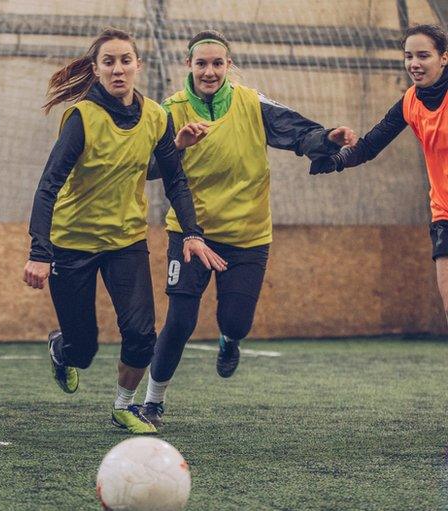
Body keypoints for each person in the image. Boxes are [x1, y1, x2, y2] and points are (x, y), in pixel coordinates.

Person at [138, 30, 357, 429]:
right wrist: (179, 144)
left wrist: (327, 138)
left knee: (236, 321)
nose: (209, 71)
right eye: (201, 63)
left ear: (228, 66)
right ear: (188, 65)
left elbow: (296, 132)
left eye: (217, 63)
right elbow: (148, 168)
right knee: (180, 319)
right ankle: (152, 402)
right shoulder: (168, 110)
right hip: (191, 233)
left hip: (249, 235)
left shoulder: (251, 102)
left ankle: (229, 341)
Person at [23, 28, 226, 434]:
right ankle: (61, 349)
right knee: (84, 351)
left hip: (125, 242)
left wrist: (193, 232)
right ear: (96, 70)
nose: (118, 69)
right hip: (72, 243)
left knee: (140, 335)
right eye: (109, 62)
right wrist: (40, 251)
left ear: (138, 66)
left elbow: (175, 180)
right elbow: (48, 186)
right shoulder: (82, 118)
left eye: (125, 60)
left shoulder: (156, 116)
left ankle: (123, 406)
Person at [311, 24, 448, 328]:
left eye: (423, 55)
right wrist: (336, 160)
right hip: (444, 214)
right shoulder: (410, 102)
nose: (414, 63)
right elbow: (370, 145)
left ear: (444, 58)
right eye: (408, 56)